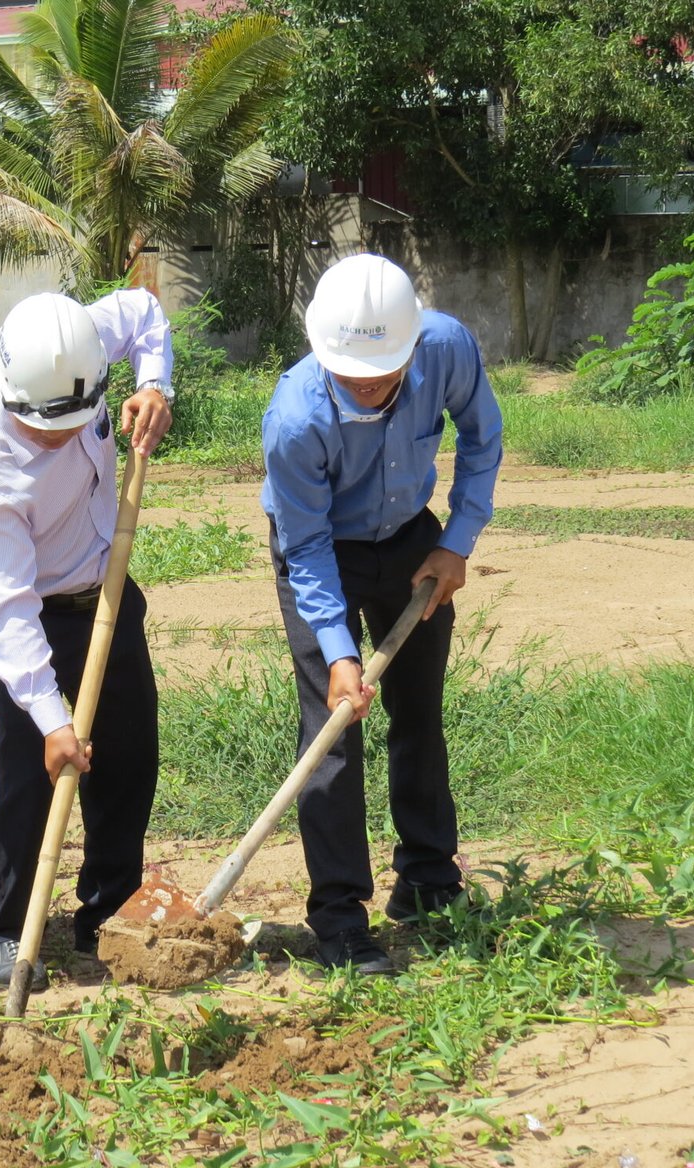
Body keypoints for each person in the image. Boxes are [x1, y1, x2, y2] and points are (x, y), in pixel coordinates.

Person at [261, 253, 503, 973]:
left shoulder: (446, 347)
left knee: (419, 714)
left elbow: (483, 439)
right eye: (351, 376)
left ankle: (427, 882)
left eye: (382, 375)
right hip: (319, 549)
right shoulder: (294, 417)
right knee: (331, 735)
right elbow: (303, 548)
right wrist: (339, 654)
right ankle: (338, 916)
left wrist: (456, 543)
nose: (366, 386)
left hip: (410, 541)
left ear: (411, 347)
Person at [0, 289, 175, 990]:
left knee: (130, 758)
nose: (61, 435)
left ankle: (108, 916)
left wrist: (154, 383)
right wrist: (51, 720)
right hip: (29, 618)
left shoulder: (76, 343)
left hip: (104, 592)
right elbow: (4, 611)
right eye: (47, 427)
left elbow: (142, 313)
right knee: (30, 777)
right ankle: (13, 931)